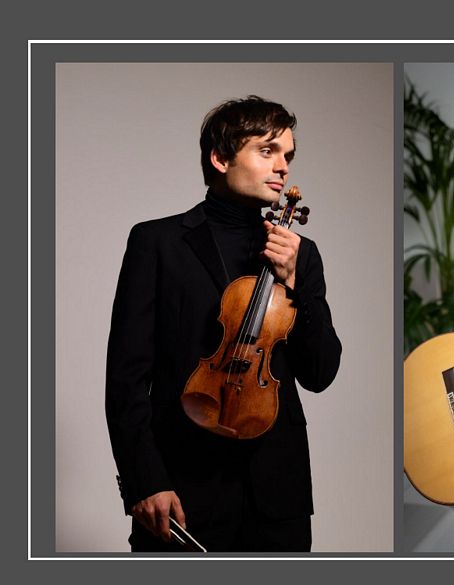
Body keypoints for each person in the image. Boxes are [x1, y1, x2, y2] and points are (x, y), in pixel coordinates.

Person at [105, 95, 342, 552]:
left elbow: (320, 373)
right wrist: (144, 481)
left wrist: (293, 284)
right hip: (181, 484)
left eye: (288, 155)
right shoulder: (157, 242)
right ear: (220, 158)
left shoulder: (299, 252)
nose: (283, 168)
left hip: (277, 491)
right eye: (267, 150)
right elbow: (126, 377)